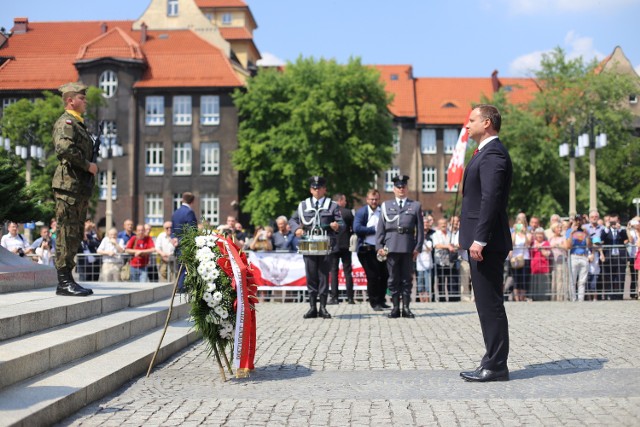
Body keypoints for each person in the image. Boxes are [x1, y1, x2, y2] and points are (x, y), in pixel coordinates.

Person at [459, 104, 513, 382]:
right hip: (482, 240)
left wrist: (479, 238)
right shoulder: (484, 152)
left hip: (487, 242)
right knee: (486, 302)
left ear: (488, 122)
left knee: (490, 303)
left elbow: (490, 199)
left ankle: (495, 364)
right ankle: (492, 360)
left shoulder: (493, 154)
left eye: (472, 120)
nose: (466, 125)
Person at [51, 82, 97, 297]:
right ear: (70, 100)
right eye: (82, 97)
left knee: (75, 233)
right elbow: (64, 148)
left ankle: (68, 278)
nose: (85, 101)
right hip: (68, 186)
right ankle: (63, 281)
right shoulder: (67, 122)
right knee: (66, 232)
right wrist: (88, 165)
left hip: (77, 187)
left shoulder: (79, 124)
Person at [289, 176, 342, 319]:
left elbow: (341, 222)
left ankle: (323, 307)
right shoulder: (303, 205)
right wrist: (296, 230)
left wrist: (337, 226)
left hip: (325, 244)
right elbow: (293, 220)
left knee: (324, 276)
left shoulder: (332, 205)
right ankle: (312, 307)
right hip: (309, 243)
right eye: (314, 188)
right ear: (310, 189)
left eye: (319, 188)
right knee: (311, 275)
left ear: (325, 189)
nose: (317, 190)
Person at [376, 175, 424, 318]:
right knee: (393, 278)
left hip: (408, 247)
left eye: (403, 187)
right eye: (398, 187)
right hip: (391, 246)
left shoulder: (415, 206)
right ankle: (395, 308)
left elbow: (420, 230)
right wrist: (379, 245)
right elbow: (381, 228)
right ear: (394, 189)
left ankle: (406, 308)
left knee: (407, 279)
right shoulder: (386, 206)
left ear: (407, 189)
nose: (401, 189)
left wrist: (418, 248)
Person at [354, 189, 389, 312]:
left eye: (376, 199)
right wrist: (375, 229)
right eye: (371, 199)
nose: (374, 201)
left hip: (380, 249)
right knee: (373, 276)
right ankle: (374, 302)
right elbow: (357, 228)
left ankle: (381, 300)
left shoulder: (382, 211)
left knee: (384, 275)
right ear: (367, 199)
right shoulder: (362, 212)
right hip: (366, 249)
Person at [328, 193, 355, 305]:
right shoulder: (347, 212)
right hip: (345, 245)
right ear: (340, 201)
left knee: (334, 272)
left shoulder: (329, 212)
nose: (345, 202)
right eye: (344, 200)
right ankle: (350, 298)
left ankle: (334, 298)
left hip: (333, 245)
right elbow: (353, 228)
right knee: (348, 271)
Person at [172, 192, 198, 289]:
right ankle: (182, 289)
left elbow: (173, 229)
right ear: (193, 201)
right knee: (186, 270)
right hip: (186, 246)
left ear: (182, 199)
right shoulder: (189, 212)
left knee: (180, 269)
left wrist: (174, 239)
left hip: (178, 246)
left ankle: (180, 287)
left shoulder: (176, 212)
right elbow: (192, 231)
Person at [600, 213, 628, 300]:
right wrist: (607, 228)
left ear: (618, 221)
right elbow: (602, 238)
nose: (613, 224)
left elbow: (625, 238)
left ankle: (619, 295)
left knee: (620, 277)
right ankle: (610, 295)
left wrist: (619, 229)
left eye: (614, 222)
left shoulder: (622, 231)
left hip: (620, 256)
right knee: (609, 277)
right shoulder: (605, 231)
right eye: (611, 222)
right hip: (609, 257)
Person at [433, 218, 459, 302]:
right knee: (441, 281)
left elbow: (455, 244)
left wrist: (453, 246)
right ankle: (442, 298)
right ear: (438, 225)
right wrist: (448, 246)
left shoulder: (451, 233)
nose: (443, 225)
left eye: (444, 223)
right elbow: (436, 245)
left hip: (451, 261)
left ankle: (453, 298)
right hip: (440, 261)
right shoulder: (435, 234)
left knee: (452, 280)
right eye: (441, 224)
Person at [566, 214, 590, 302]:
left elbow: (589, 245)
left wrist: (587, 235)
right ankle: (573, 298)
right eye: (577, 220)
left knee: (582, 281)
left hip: (583, 256)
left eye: (580, 220)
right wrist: (572, 233)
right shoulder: (569, 231)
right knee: (572, 280)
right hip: (574, 256)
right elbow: (568, 246)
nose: (579, 222)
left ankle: (581, 299)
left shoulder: (585, 231)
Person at [415, 216, 434, 302]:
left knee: (427, 282)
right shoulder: (416, 236)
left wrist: (423, 241)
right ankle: (420, 299)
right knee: (419, 282)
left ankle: (428, 299)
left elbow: (429, 249)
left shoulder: (431, 236)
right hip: (419, 263)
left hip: (428, 263)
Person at [530, 227, 551, 301]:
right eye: (538, 234)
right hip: (534, 267)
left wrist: (541, 248)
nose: (539, 236)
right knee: (534, 282)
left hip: (544, 266)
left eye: (541, 234)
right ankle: (534, 298)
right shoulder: (532, 243)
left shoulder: (546, 243)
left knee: (543, 283)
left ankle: (543, 298)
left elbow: (547, 254)